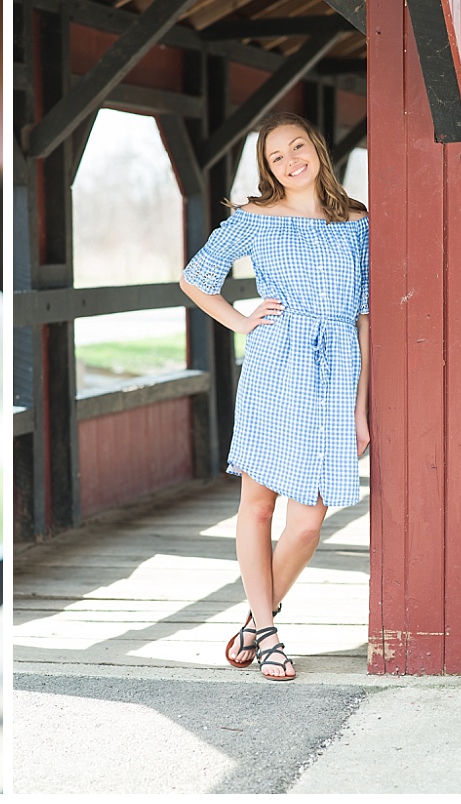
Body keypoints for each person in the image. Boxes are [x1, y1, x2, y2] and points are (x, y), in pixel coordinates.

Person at [180, 112, 370, 682]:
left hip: (336, 367)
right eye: (276, 157)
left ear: (318, 147)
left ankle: (253, 623)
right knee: (258, 506)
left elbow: (364, 315)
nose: (290, 162)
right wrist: (240, 321)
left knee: (308, 522)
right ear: (266, 169)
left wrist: (359, 407)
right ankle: (268, 633)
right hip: (276, 362)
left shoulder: (357, 222)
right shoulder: (254, 219)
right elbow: (195, 278)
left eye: (297, 147)